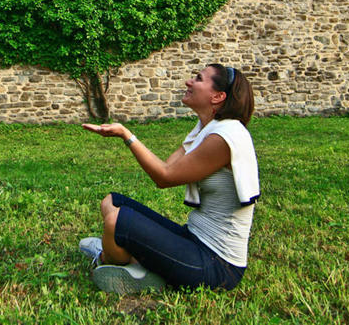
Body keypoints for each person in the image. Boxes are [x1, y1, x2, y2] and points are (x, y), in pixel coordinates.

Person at [79, 64, 260, 295]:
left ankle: (112, 257)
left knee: (115, 222)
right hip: (193, 239)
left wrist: (126, 135)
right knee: (111, 202)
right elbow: (168, 167)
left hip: (217, 266)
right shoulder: (206, 129)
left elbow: (165, 177)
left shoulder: (224, 137)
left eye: (198, 78)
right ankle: (136, 265)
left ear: (218, 96)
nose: (189, 82)